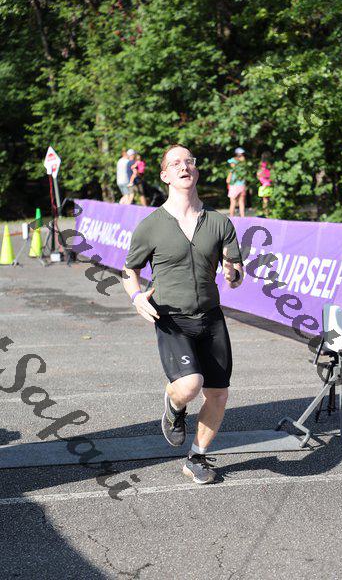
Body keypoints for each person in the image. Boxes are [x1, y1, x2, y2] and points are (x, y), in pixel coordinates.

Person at [122, 144, 244, 484]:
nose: (183, 166)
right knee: (190, 384)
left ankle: (197, 457)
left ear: (196, 170)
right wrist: (136, 296)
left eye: (188, 161)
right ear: (165, 176)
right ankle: (174, 406)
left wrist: (233, 274)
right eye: (175, 163)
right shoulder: (151, 226)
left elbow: (235, 271)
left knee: (218, 393)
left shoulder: (219, 222)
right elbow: (129, 270)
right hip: (171, 318)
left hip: (211, 317)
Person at [226, 147, 247, 218]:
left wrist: (228, 181)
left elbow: (228, 179)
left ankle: (231, 217)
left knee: (233, 202)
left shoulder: (232, 167)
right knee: (241, 202)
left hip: (234, 185)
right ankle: (242, 217)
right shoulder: (243, 165)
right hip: (242, 185)